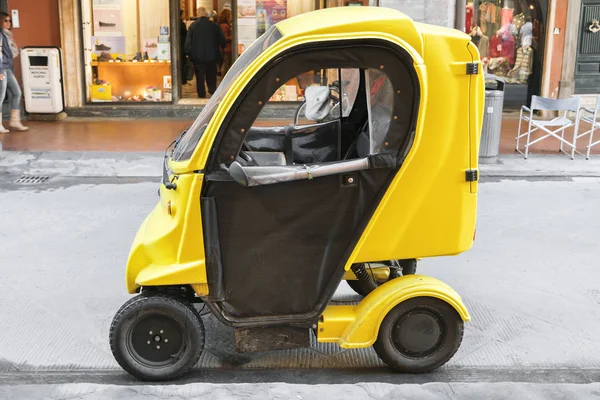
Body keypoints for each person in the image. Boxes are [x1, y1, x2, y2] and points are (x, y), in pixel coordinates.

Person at [185, 7, 226, 98]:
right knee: (211, 74)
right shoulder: (214, 26)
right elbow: (222, 40)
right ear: (206, 14)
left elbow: (188, 42)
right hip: (212, 55)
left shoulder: (193, 26)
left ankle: (201, 93)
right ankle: (212, 90)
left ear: (198, 14)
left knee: (199, 76)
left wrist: (188, 53)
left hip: (197, 56)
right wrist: (222, 46)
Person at [0, 12, 28, 132]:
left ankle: (15, 121)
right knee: (0, 97)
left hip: (7, 68)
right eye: (5, 21)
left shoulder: (7, 36)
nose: (8, 23)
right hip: (1, 69)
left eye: (9, 21)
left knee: (17, 92)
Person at [218, 9, 232, 77]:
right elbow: (224, 38)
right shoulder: (225, 26)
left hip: (226, 48)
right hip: (227, 48)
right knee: (226, 64)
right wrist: (233, 37)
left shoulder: (222, 25)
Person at [179, 10, 188, 85]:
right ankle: (183, 79)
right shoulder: (182, 24)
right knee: (183, 63)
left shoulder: (176, 23)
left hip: (179, 46)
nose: (184, 16)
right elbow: (186, 34)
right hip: (182, 46)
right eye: (183, 15)